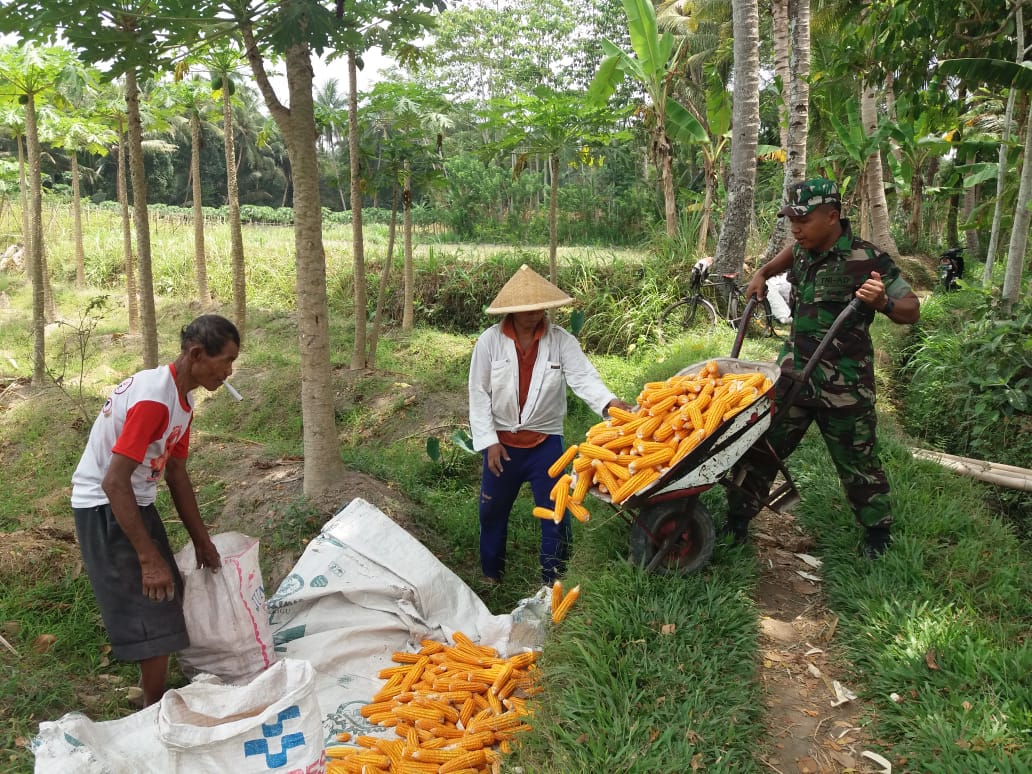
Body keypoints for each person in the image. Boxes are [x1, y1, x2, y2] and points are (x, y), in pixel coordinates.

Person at [725, 178, 920, 559]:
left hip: (844, 386)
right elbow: (782, 257)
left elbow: (911, 309)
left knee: (857, 461)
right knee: (761, 448)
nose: (795, 228)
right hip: (793, 376)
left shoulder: (868, 259)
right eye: (790, 219)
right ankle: (736, 523)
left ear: (833, 217)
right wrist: (761, 273)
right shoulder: (801, 249)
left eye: (803, 219)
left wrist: (882, 303)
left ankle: (878, 536)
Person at [71, 314, 240, 706]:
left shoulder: (183, 400)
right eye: (226, 361)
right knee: (154, 599)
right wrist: (148, 558)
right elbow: (113, 481)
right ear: (197, 354)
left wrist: (203, 541)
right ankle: (152, 707)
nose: (229, 372)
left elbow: (177, 472)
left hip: (134, 500)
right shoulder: (153, 400)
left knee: (168, 593)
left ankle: (152, 695)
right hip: (105, 505)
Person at [468, 265, 632, 585]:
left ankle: (552, 579)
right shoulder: (489, 343)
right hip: (501, 444)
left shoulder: (561, 341)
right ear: (512, 310)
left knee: (556, 513)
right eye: (527, 308)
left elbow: (583, 378)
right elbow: (478, 393)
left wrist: (610, 403)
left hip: (545, 445)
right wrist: (488, 441)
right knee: (491, 511)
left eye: (540, 307)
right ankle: (491, 573)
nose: (534, 313)